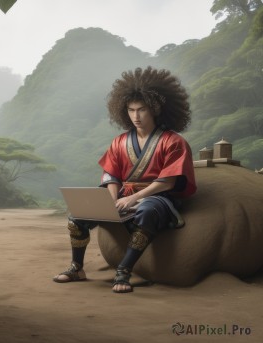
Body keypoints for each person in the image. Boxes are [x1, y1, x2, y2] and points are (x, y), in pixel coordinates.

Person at [52, 66, 197, 293]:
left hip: (157, 197)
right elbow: (111, 175)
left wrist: (135, 198)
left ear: (156, 109)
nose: (136, 116)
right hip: (122, 197)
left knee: (147, 210)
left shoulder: (174, 142)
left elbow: (168, 181)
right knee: (76, 217)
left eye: (142, 110)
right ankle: (76, 267)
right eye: (131, 110)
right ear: (124, 110)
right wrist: (110, 201)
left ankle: (124, 270)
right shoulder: (119, 142)